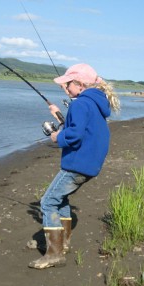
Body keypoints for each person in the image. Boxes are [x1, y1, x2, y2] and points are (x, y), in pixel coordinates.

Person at [29, 63, 120, 269]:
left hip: (76, 165)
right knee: (61, 199)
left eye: (67, 84)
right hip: (90, 164)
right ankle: (64, 242)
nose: (65, 88)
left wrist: (56, 137)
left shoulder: (80, 104)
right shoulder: (94, 102)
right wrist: (59, 115)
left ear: (79, 84)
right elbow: (81, 127)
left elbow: (74, 135)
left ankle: (54, 254)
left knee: (48, 202)